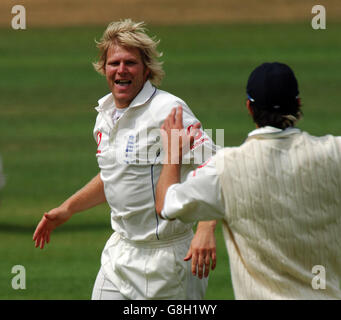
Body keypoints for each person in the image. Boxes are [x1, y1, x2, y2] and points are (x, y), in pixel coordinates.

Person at [33, 19, 218, 300]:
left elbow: (213, 168)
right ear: (103, 68)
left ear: (146, 70)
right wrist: (67, 209)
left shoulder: (168, 109)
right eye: (114, 63)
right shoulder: (105, 115)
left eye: (130, 63)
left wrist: (205, 228)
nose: (121, 69)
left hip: (168, 262)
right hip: (120, 254)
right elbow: (115, 176)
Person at [156, 62, 341, 299]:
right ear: (298, 104)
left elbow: (166, 205)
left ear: (249, 108)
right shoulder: (334, 152)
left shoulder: (225, 167)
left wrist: (172, 154)